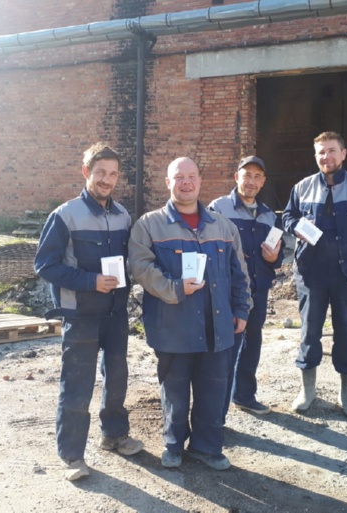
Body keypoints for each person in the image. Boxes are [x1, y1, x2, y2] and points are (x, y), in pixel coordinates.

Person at [129, 157, 250, 471]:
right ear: (168, 182)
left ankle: (207, 447)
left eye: (192, 176)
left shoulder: (223, 226)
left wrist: (241, 309)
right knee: (175, 390)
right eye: (179, 177)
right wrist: (175, 288)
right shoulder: (149, 225)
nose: (186, 183)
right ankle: (173, 445)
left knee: (214, 389)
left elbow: (240, 271)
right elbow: (141, 268)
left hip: (217, 324)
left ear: (200, 181)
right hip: (173, 326)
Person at [34, 143, 143, 481]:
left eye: (113, 174)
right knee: (77, 386)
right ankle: (72, 456)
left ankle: (114, 435)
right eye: (100, 173)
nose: (107, 180)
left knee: (117, 378)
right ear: (86, 172)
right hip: (81, 314)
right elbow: (45, 265)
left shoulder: (122, 215)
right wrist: (90, 281)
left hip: (115, 313)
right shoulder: (65, 215)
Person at [282, 131, 347, 420]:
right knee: (309, 334)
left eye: (331, 150)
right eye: (321, 152)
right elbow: (287, 216)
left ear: (343, 154)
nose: (326, 156)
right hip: (310, 275)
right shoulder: (302, 188)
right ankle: (307, 392)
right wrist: (296, 227)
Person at [208, 156, 283, 418]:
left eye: (257, 176)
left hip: (258, 290)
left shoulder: (269, 215)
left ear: (263, 182)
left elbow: (277, 254)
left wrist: (274, 258)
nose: (251, 181)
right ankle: (217, 411)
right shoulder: (218, 208)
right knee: (226, 349)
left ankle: (244, 396)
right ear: (236, 177)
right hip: (229, 293)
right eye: (247, 175)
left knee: (252, 343)